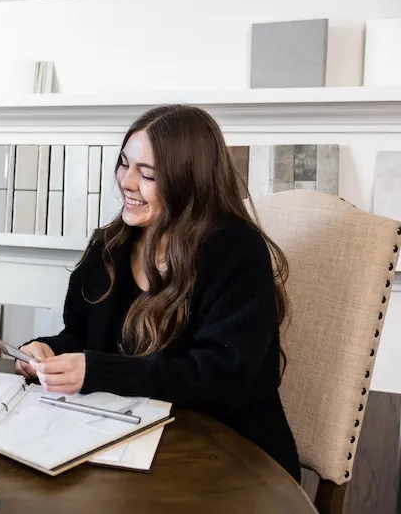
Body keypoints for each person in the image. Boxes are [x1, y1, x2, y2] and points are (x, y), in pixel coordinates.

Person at [16, 104, 301, 482]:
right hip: (130, 439)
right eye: (124, 164)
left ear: (189, 183)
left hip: (230, 456)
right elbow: (83, 338)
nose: (127, 182)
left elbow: (220, 379)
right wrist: (48, 352)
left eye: (147, 173)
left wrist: (97, 371)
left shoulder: (236, 252)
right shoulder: (111, 245)